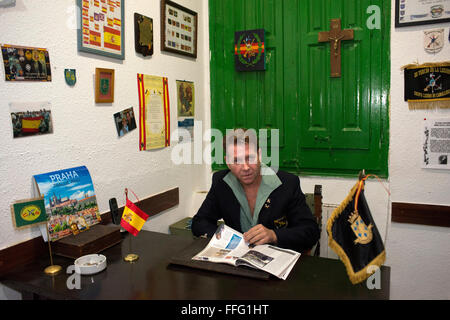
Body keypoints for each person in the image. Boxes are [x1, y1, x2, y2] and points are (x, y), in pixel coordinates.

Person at [191, 129, 320, 253]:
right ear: (228, 162)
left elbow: (310, 231)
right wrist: (227, 238)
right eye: (237, 160)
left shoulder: (287, 183)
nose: (245, 167)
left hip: (276, 263)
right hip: (235, 262)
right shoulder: (221, 182)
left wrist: (274, 235)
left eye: (250, 158)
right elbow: (199, 222)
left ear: (259, 154)